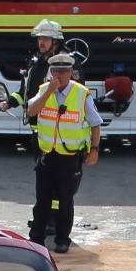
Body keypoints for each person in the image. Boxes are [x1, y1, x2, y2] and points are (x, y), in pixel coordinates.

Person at [24, 52, 101, 252]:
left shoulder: (81, 94)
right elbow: (31, 111)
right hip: (47, 154)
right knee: (42, 199)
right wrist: (48, 92)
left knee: (66, 200)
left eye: (64, 71)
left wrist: (94, 149)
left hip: (69, 156)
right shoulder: (44, 89)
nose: (59, 75)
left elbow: (95, 124)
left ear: (71, 73)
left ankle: (62, 238)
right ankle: (37, 238)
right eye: (55, 70)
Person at [18, 20, 66, 100]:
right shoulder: (34, 64)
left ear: (55, 41)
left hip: (54, 112)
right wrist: (8, 104)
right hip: (33, 111)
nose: (41, 43)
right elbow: (24, 93)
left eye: (46, 39)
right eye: (40, 38)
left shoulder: (67, 64)